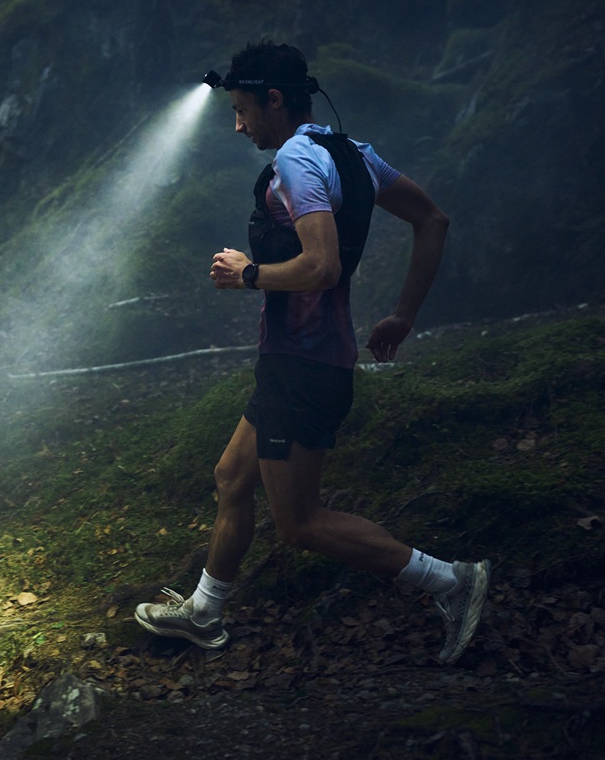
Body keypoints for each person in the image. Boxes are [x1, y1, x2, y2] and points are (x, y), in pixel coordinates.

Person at [135, 41, 489, 665]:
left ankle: (452, 581)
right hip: (300, 364)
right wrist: (403, 315)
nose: (237, 124)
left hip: (303, 369)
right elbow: (433, 220)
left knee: (300, 523)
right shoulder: (351, 153)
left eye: (244, 109)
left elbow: (321, 267)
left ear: (276, 100)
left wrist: (248, 275)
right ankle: (204, 613)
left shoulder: (299, 159)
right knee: (230, 477)